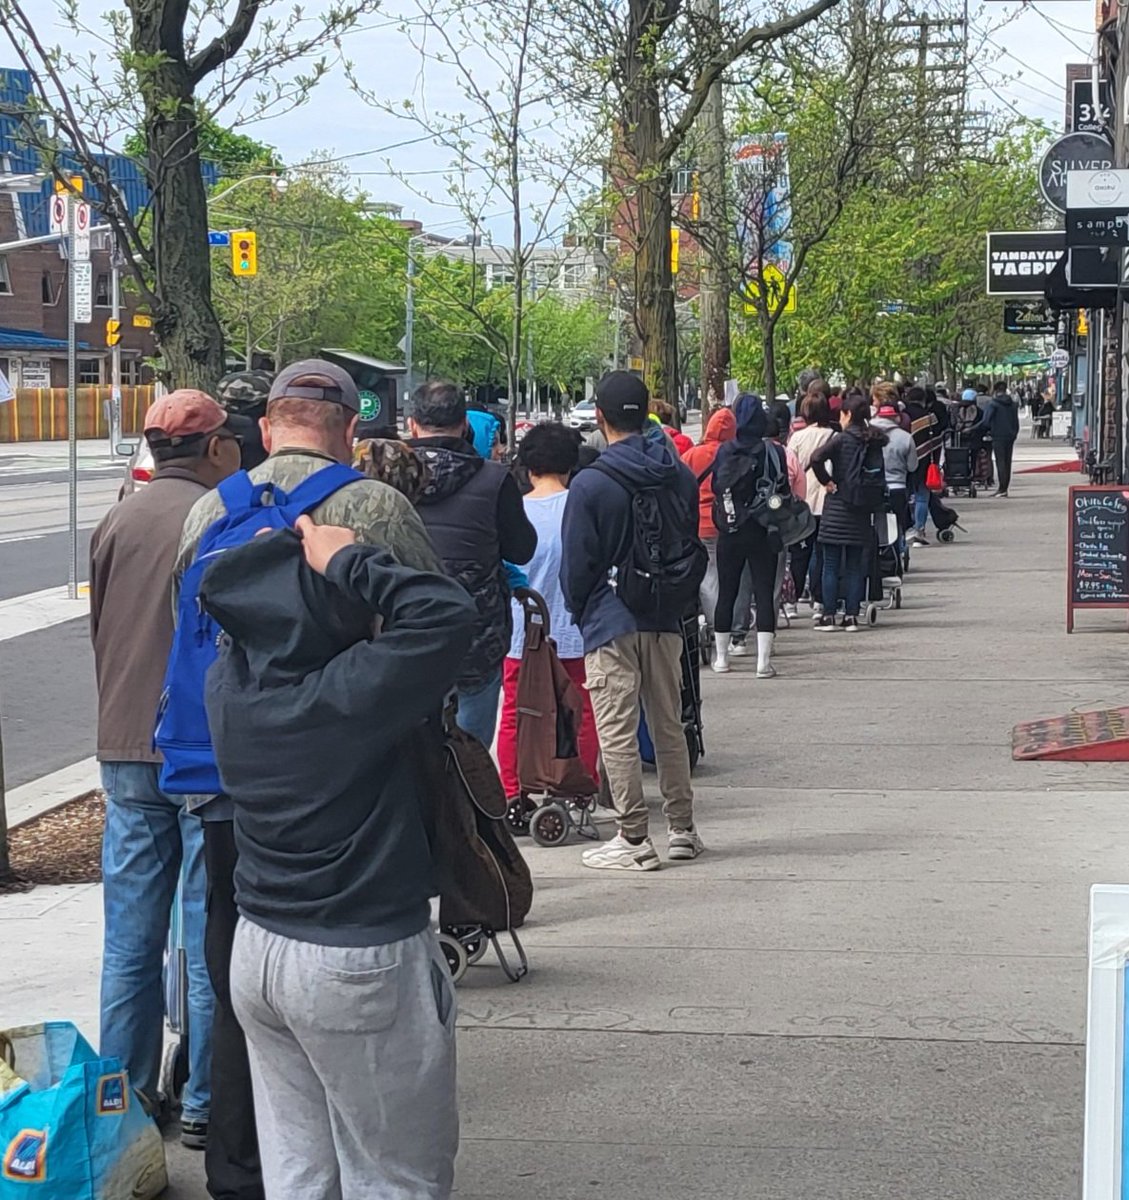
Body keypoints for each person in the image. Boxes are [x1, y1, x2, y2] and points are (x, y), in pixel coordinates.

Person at [175, 360, 440, 1200]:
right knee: (391, 1161)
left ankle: (227, 1153)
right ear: (349, 431)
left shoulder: (210, 511)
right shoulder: (371, 508)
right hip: (353, 804)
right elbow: (442, 626)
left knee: (231, 971)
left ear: (262, 429)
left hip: (229, 783)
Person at [203, 515, 477, 1200]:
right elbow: (445, 615)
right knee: (395, 1176)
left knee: (300, 1172)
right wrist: (352, 562)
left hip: (260, 947)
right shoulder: (346, 696)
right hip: (357, 960)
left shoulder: (229, 686)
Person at [90, 390, 244, 1149]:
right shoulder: (222, 518)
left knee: (129, 939)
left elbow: (101, 633)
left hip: (124, 745)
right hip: (201, 750)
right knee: (206, 930)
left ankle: (118, 1102)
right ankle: (206, 1102)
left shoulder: (120, 516)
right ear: (215, 446)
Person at [560, 370, 703, 871]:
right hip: (665, 613)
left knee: (617, 730)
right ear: (647, 413)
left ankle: (634, 837)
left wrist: (584, 610)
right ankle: (683, 828)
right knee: (668, 722)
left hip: (609, 615)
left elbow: (577, 562)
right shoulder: (678, 474)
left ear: (599, 416)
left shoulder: (592, 482)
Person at [408, 379, 537, 747]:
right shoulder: (494, 480)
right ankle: (469, 802)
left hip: (406, 634)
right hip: (477, 634)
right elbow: (521, 549)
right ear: (464, 424)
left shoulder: (387, 477)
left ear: (412, 423)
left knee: (413, 750)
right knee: (472, 752)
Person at [496, 423, 599, 798]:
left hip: (522, 635)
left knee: (515, 714)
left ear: (527, 466)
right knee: (580, 712)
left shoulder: (514, 512)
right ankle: (578, 786)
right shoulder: (582, 507)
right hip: (575, 631)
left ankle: (512, 790)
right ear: (571, 465)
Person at [708, 394, 795, 677]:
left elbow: (715, 486)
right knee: (764, 590)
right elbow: (783, 490)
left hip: (731, 529)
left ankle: (722, 658)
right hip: (764, 528)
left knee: (727, 592)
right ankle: (763, 662)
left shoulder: (725, 451)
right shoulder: (773, 452)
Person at [810, 393, 888, 631]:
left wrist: (828, 482)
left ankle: (829, 615)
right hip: (862, 508)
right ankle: (852, 616)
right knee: (855, 565)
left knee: (831, 564)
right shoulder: (873, 440)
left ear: (848, 414)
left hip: (838, 506)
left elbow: (816, 458)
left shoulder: (841, 440)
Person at [680, 406, 737, 627]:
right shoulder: (734, 455)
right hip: (728, 523)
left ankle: (715, 625)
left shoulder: (692, 455)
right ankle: (726, 622)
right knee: (729, 576)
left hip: (700, 524)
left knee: (708, 576)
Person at [788, 392, 836, 619]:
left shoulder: (797, 438)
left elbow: (790, 470)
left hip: (801, 502)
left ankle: (793, 599)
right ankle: (818, 598)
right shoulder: (833, 435)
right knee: (821, 551)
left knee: (799, 552)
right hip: (826, 500)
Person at [870, 382, 918, 565]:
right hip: (898, 487)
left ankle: (878, 559)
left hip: (874, 488)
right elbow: (912, 466)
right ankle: (897, 557)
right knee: (897, 524)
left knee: (875, 523)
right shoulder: (905, 437)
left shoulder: (867, 434)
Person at [904, 385, 947, 546]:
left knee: (904, 497)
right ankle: (918, 530)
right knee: (922, 497)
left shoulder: (902, 416)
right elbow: (937, 440)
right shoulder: (930, 417)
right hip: (924, 463)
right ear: (924, 400)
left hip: (902, 462)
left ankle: (903, 530)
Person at [978, 380, 1021, 496]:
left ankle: (1001, 489)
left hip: (998, 435)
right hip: (1010, 435)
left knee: (1000, 461)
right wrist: (1014, 432)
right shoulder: (1012, 404)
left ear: (996, 391)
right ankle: (1004, 488)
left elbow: (986, 421)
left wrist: (978, 429)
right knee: (1007, 461)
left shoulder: (993, 404)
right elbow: (1016, 420)